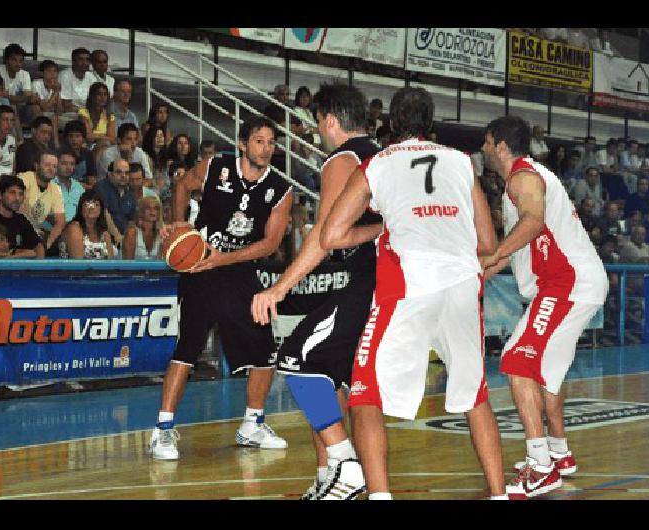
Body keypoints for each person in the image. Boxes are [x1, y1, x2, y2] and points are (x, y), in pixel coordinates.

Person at [319, 87, 506, 501]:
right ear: (431, 122)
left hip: (408, 286)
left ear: (390, 124)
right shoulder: (461, 163)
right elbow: (489, 242)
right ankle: (499, 494)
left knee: (365, 392)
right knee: (475, 396)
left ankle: (381, 496)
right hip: (461, 285)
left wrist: (383, 229)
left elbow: (331, 236)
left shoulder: (377, 164)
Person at [250, 83, 381, 500]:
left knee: (295, 360)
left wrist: (279, 289)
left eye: (317, 124)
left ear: (329, 120)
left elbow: (324, 237)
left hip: (365, 277)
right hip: (386, 279)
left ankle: (345, 462)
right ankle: (329, 475)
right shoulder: (383, 155)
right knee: (327, 379)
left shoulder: (343, 159)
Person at [148, 116, 293, 461]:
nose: (266, 148)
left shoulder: (281, 190)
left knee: (264, 349)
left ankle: (252, 424)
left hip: (240, 270)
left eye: (271, 142)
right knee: (189, 346)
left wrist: (223, 258)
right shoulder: (217, 166)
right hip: (200, 266)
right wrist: (178, 223)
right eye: (259, 141)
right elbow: (182, 185)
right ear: (243, 144)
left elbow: (270, 244)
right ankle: (163, 431)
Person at [479, 115, 609, 499]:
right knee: (544, 374)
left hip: (566, 283)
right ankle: (558, 453)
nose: (483, 149)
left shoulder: (523, 178)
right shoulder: (522, 180)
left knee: (518, 360)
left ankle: (540, 468)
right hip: (570, 284)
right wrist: (481, 272)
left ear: (501, 145)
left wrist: (495, 254)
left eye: (487, 142)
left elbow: (533, 222)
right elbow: (518, 243)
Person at [18, 149, 66, 254]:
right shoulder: (25, 178)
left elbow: (60, 222)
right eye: (47, 165)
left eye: (54, 166)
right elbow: (17, 208)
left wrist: (48, 245)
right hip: (17, 230)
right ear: (36, 166)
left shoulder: (56, 188)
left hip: (36, 235)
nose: (51, 169)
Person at [60, 190, 115, 259]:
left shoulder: (105, 234)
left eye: (96, 204)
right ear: (81, 209)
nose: (91, 207)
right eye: (87, 204)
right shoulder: (74, 228)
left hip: (102, 269)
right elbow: (77, 263)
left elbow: (111, 263)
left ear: (101, 210)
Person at [95, 158, 136, 242]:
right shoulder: (101, 188)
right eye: (119, 172)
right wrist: (117, 236)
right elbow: (105, 213)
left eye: (127, 173)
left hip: (124, 237)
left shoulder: (130, 193)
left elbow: (132, 220)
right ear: (110, 174)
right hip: (105, 236)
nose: (123, 176)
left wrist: (129, 237)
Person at [122, 195, 163, 260]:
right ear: (141, 212)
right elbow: (127, 264)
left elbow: (161, 261)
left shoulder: (161, 234)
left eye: (156, 208)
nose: (152, 211)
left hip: (155, 270)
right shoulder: (132, 234)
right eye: (148, 208)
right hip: (133, 269)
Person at [78, 82, 115, 150]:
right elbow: (88, 137)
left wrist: (96, 136)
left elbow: (112, 139)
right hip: (87, 146)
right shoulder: (83, 113)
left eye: (105, 94)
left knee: (105, 144)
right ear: (92, 96)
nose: (102, 97)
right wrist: (103, 135)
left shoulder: (110, 116)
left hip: (105, 147)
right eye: (99, 94)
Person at [54, 147, 85, 223]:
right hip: (51, 230)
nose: (68, 167)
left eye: (72, 164)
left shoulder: (79, 187)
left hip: (76, 228)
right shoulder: (49, 185)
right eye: (64, 163)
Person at [63, 120, 98, 187]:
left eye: (77, 136)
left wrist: (92, 183)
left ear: (83, 139)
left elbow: (91, 176)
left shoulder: (88, 154)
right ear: (66, 138)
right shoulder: (62, 155)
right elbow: (61, 179)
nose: (74, 139)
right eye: (71, 136)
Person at [60, 48, 94, 113]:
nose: (85, 63)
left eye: (87, 60)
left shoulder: (91, 77)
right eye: (81, 59)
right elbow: (66, 106)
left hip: (87, 114)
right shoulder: (65, 76)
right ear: (73, 61)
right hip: (70, 114)